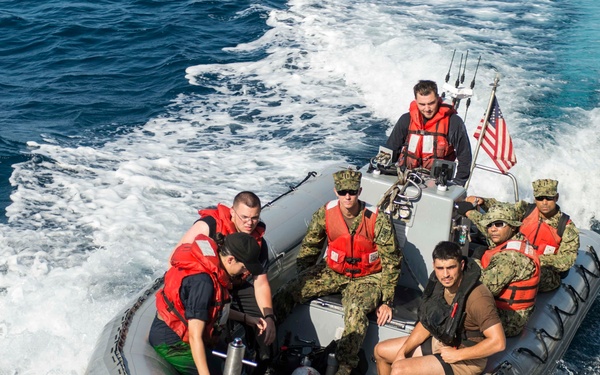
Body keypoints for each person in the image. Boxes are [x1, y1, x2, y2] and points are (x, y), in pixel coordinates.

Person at [274, 169, 402, 375]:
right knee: (288, 290)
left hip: (367, 277)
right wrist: (303, 278)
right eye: (343, 192)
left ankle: (344, 367)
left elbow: (391, 261)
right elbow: (310, 246)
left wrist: (387, 300)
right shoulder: (325, 213)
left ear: (359, 191)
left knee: (355, 309)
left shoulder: (377, 219)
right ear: (336, 191)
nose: (347, 196)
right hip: (334, 271)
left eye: (352, 191)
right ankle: (267, 340)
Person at [172, 191, 276, 371]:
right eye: (244, 217)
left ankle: (263, 363)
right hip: (209, 284)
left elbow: (261, 283)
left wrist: (269, 316)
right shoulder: (209, 227)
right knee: (218, 329)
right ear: (232, 212)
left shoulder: (257, 243)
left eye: (254, 218)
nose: (249, 223)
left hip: (236, 284)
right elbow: (178, 258)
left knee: (265, 325)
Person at [374, 241, 505, 375]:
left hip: (466, 357)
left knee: (400, 370)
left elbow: (498, 342)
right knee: (381, 351)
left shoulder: (477, 297)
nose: (445, 274)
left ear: (462, 265)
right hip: (442, 341)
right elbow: (427, 322)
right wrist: (402, 352)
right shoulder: (439, 284)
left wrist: (458, 355)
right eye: (440, 268)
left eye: (451, 267)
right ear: (434, 266)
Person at [149, 232, 267, 375]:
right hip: (173, 342)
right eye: (243, 267)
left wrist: (247, 318)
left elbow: (213, 309)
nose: (245, 272)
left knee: (239, 361)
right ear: (230, 260)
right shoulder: (203, 283)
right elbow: (194, 336)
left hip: (193, 333)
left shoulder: (216, 271)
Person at [460, 179, 579, 292]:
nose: (544, 202)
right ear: (535, 198)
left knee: (510, 269)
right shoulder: (526, 209)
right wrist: (483, 201)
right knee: (499, 231)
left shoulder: (567, 227)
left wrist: (535, 259)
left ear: (556, 197)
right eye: (540, 198)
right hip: (514, 256)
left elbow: (566, 260)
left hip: (542, 270)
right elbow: (504, 210)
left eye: (549, 198)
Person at [385, 80, 472, 185]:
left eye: (431, 103)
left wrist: (458, 184)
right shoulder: (406, 119)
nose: (427, 109)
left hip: (438, 183)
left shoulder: (454, 122)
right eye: (422, 104)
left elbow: (465, 157)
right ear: (416, 101)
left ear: (438, 98)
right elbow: (391, 149)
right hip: (406, 177)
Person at [472, 205, 540, 337]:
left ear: (512, 226)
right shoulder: (519, 239)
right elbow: (494, 235)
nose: (493, 229)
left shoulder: (509, 259)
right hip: (513, 312)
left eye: (499, 224)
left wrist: (474, 262)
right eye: (490, 225)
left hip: (506, 320)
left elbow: (483, 291)